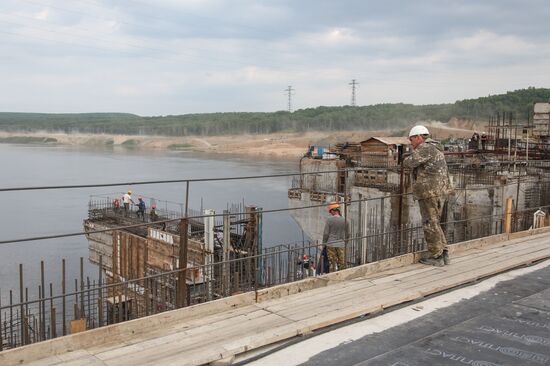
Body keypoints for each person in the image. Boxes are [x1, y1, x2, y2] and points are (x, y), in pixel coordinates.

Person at [404, 125, 452, 267]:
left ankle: (436, 256)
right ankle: (444, 253)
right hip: (438, 191)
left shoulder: (426, 147)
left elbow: (409, 162)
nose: (411, 143)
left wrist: (407, 158)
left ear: (419, 137)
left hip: (429, 191)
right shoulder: (435, 147)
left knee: (429, 223)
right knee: (435, 222)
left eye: (411, 140)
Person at [322, 202, 349, 272]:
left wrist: (324, 243)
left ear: (334, 210)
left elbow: (326, 233)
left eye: (331, 211)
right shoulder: (345, 220)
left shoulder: (329, 220)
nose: (330, 213)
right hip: (341, 244)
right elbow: (348, 234)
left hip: (330, 244)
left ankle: (332, 277)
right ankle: (342, 276)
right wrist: (345, 243)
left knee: (332, 263)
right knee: (342, 263)